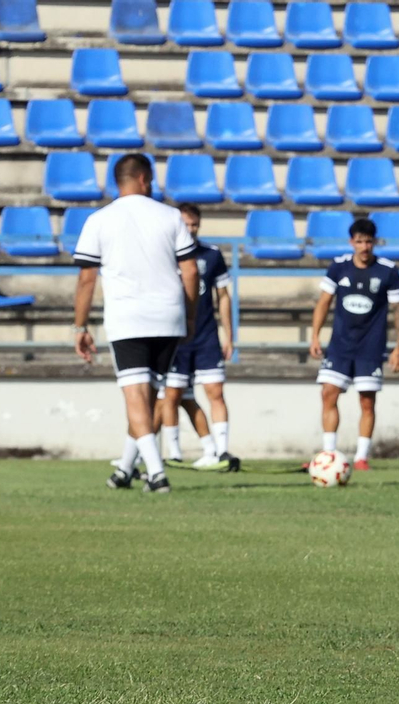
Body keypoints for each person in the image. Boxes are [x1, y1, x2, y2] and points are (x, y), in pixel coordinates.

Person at [73, 153, 199, 494]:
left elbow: (87, 279)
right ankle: (124, 471)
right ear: (144, 178)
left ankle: (157, 473)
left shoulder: (99, 219)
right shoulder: (171, 216)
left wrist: (80, 327)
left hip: (128, 317)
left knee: (135, 398)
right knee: (149, 396)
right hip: (168, 316)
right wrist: (189, 316)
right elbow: (190, 270)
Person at [308, 218, 399, 470]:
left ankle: (361, 457)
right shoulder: (338, 267)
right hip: (340, 345)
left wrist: (398, 347)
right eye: (359, 241)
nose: (364, 247)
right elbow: (323, 302)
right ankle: (329, 455)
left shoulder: (388, 270)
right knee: (328, 393)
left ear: (375, 242)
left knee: (367, 401)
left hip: (370, 347)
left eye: (368, 242)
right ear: (352, 242)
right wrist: (315, 335)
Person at [153, 204, 239, 471]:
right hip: (176, 337)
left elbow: (223, 296)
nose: (190, 230)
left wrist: (229, 335)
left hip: (205, 336)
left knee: (215, 392)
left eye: (194, 225)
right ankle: (174, 453)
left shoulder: (211, 255)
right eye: (186, 225)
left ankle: (222, 451)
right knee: (172, 395)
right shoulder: (164, 254)